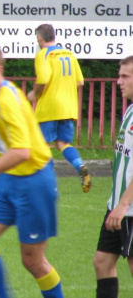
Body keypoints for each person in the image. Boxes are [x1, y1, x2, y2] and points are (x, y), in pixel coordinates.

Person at [0, 43, 64, 298]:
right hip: (9, 180)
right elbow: (12, 132)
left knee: (33, 262)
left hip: (34, 182)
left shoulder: (7, 97)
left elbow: (22, 151)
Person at [27, 23, 91, 193]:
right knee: (63, 143)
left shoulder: (43, 54)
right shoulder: (69, 54)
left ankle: (50, 186)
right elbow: (80, 81)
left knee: (42, 145)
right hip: (69, 107)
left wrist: (34, 93)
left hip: (49, 107)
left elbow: (44, 78)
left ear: (40, 39)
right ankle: (80, 166)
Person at [93, 56, 133, 298]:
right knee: (102, 262)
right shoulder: (130, 110)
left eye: (125, 76)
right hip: (117, 206)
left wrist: (123, 204)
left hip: (128, 209)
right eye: (119, 75)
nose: (119, 81)